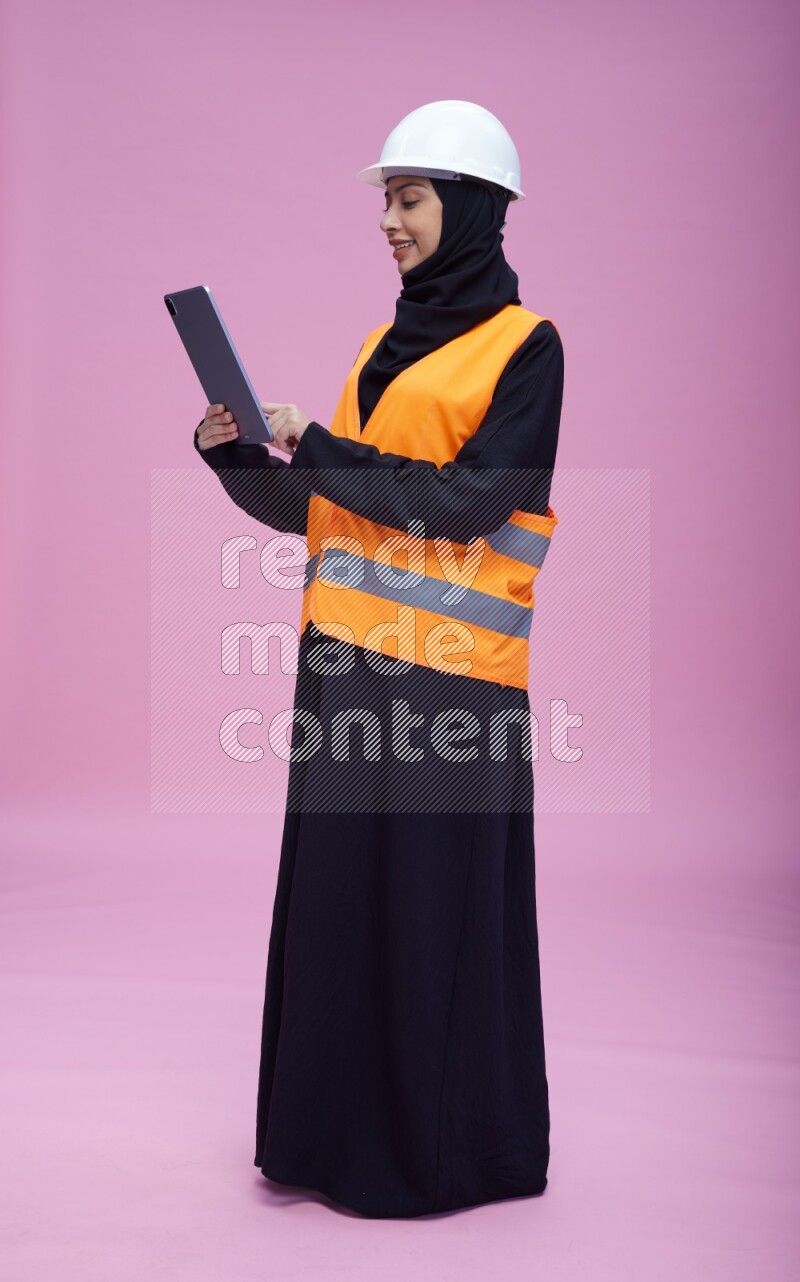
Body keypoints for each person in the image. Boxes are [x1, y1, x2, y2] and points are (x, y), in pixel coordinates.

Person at [193, 100, 564, 1219]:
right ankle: (324, 1140)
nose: (390, 222)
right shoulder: (375, 347)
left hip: (451, 687)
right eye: (387, 202)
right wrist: (240, 459)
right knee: (342, 913)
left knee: (428, 925)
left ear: (471, 208)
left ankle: (441, 1160)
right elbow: (334, 510)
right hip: (345, 672)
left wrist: (329, 451)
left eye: (408, 199)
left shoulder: (526, 346)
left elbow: (473, 501)